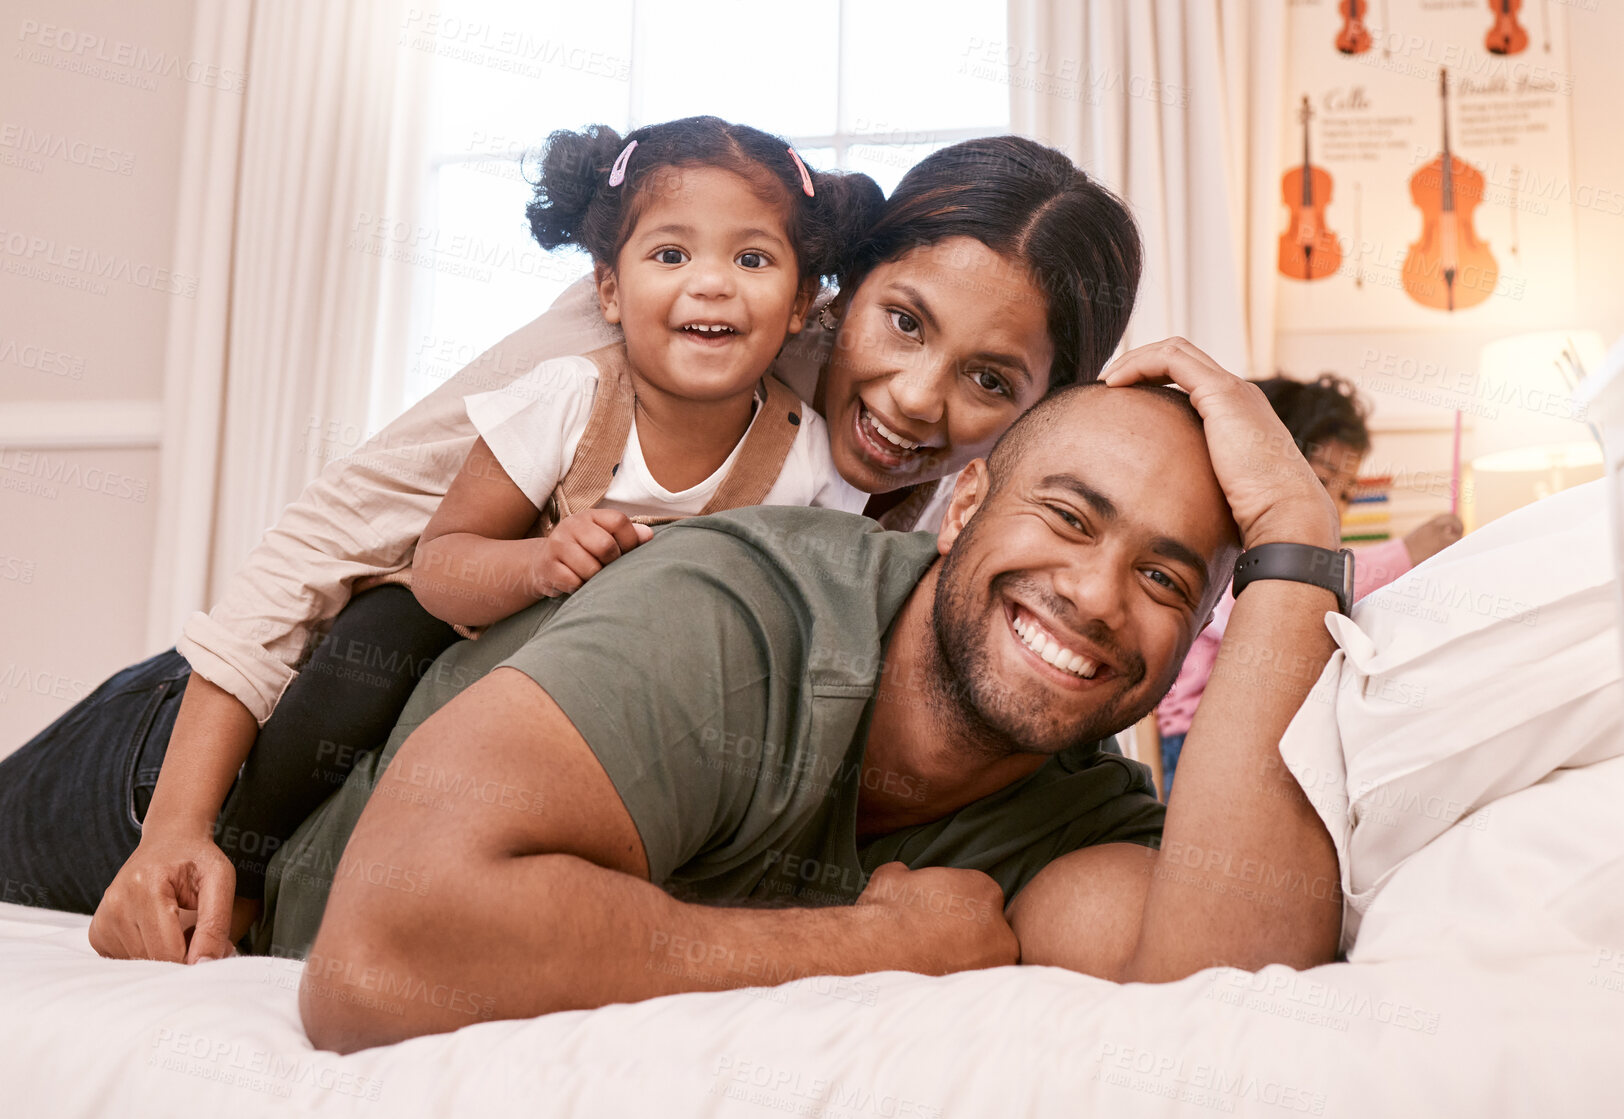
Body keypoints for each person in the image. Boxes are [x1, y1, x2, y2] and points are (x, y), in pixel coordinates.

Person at [0, 133, 1144, 967]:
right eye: (902, 321)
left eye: (991, 383)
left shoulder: (949, 526)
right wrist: (182, 829)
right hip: (223, 744)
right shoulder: (634, 344)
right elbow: (322, 555)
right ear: (835, 289)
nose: (916, 400)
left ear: (1046, 410)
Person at [270, 358, 1343, 1053]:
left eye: (1164, 581)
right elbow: (377, 965)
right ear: (962, 506)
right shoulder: (739, 608)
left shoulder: (1074, 820)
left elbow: (1229, 1011)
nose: (1098, 599)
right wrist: (874, 945)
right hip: (145, 787)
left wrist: (1298, 533)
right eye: (1067, 518)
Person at [210, 117, 885, 908]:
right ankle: (245, 863)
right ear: (608, 287)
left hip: (653, 687)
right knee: (376, 641)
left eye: (753, 258)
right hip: (494, 632)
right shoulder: (569, 397)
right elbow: (441, 561)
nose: (713, 282)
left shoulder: (807, 459)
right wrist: (538, 563)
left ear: (802, 299)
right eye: (672, 254)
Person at [1152, 373, 1464, 796]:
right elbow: (1276, 599)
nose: (1331, 506)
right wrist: (1404, 554)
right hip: (1194, 743)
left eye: (1347, 493)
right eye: (1320, 481)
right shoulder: (1228, 549)